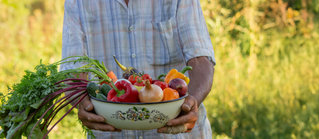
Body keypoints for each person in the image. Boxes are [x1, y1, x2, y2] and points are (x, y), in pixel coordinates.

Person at [60, 0, 215, 138]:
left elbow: (200, 58)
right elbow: (73, 68)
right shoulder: (77, 2)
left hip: (177, 132)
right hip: (108, 132)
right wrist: (81, 102)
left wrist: (193, 99)